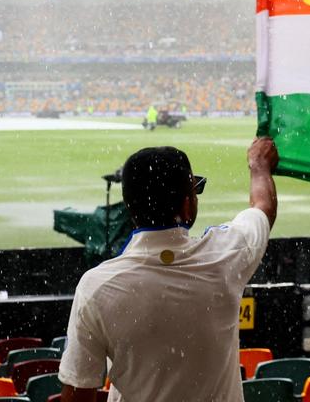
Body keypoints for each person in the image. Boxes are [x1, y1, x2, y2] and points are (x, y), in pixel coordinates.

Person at [59, 137, 279, 402]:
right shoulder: (226, 256)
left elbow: (78, 392)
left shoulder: (96, 288)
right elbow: (263, 208)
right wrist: (258, 165)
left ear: (129, 207)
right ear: (187, 204)